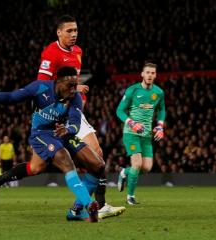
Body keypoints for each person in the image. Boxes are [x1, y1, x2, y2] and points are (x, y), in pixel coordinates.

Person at [0, 66, 105, 222]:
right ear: (58, 82)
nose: (74, 89)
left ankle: (75, 211)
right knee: (65, 160)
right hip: (41, 133)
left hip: (63, 133)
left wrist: (67, 130)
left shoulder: (75, 97)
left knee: (97, 165)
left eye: (76, 85)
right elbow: (10, 98)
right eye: (70, 85)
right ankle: (89, 204)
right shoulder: (40, 87)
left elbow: (75, 124)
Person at [37, 15, 125, 218]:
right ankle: (0, 180)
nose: (74, 34)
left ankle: (89, 207)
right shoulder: (50, 54)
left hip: (73, 111)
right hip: (57, 113)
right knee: (38, 166)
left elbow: (71, 82)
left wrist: (78, 94)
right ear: (59, 32)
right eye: (69, 31)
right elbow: (41, 86)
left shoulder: (77, 51)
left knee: (98, 154)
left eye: (76, 30)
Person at [116, 62, 166, 205]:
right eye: (147, 72)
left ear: (155, 75)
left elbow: (162, 110)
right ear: (142, 74)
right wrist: (132, 123)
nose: (150, 75)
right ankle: (130, 197)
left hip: (146, 134)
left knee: (146, 167)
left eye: (152, 73)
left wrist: (160, 126)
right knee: (137, 164)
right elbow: (119, 111)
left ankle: (125, 172)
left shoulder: (159, 92)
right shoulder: (133, 90)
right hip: (130, 133)